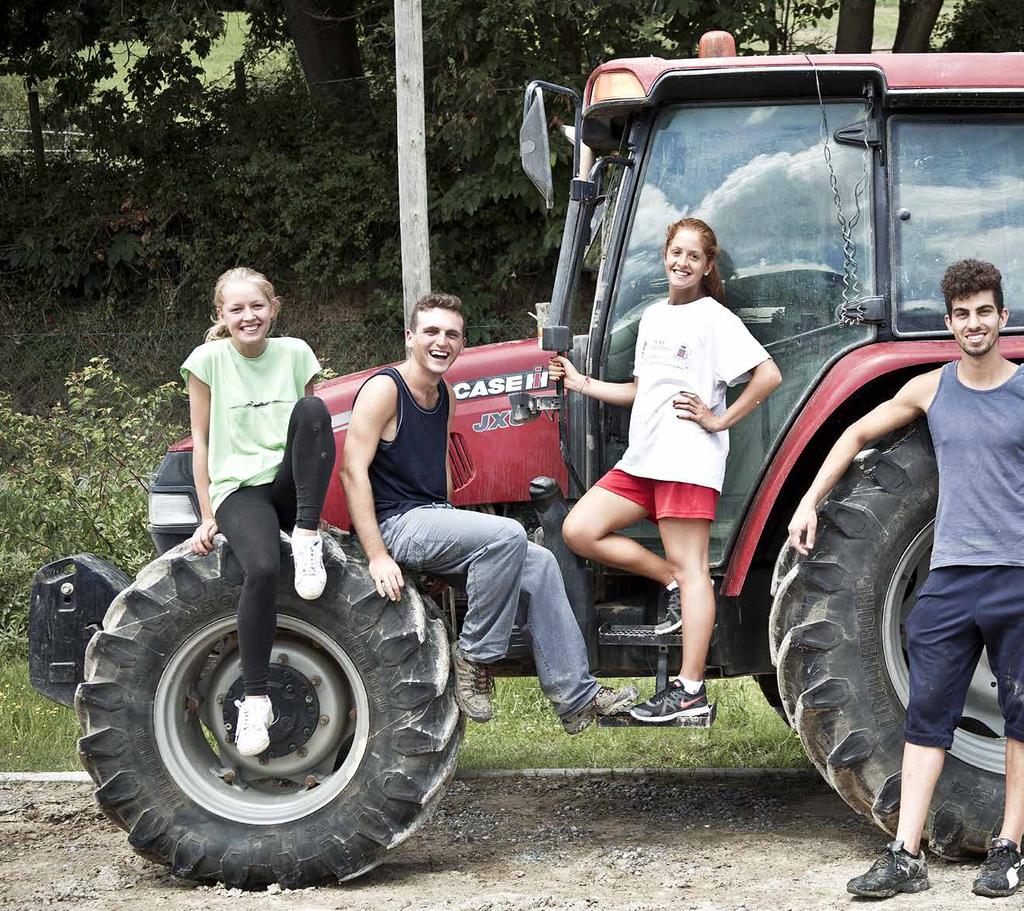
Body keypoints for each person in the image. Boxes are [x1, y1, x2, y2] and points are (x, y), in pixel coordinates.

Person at [788, 259, 1024, 900]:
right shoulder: (931, 389)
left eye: (984, 311)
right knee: (926, 716)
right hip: (949, 578)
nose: (974, 323)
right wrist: (810, 501)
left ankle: (1008, 848)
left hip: (1016, 578)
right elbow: (858, 430)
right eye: (963, 314)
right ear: (950, 324)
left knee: (1019, 716)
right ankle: (905, 852)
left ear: (1002, 317)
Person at [341, 292, 636, 734]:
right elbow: (351, 472)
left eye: (452, 335)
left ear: (462, 344)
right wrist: (378, 554)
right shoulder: (386, 390)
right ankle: (475, 654)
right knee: (509, 535)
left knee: (540, 563)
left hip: (431, 517)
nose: (442, 342)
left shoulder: (445, 396)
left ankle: (577, 698)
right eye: (432, 332)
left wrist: (453, 540)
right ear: (410, 338)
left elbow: (439, 473)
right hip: (396, 524)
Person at [549, 218, 781, 724]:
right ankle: (670, 580)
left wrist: (718, 419)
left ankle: (690, 692)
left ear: (707, 266)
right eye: (676, 252)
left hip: (686, 458)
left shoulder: (713, 317)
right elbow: (640, 391)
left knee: (696, 569)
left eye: (693, 256)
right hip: (644, 459)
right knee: (580, 529)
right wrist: (581, 383)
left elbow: (769, 375)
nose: (682, 262)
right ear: (665, 255)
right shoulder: (653, 317)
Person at [182, 267, 335, 757]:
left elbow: (310, 440)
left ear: (273, 308)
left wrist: (307, 516)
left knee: (314, 413)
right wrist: (207, 515)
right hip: (239, 491)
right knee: (263, 567)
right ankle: (254, 699)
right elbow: (201, 443)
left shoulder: (296, 354)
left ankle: (307, 536)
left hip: (287, 484)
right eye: (236, 309)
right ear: (221, 316)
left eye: (257, 306)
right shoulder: (207, 361)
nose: (248, 316)